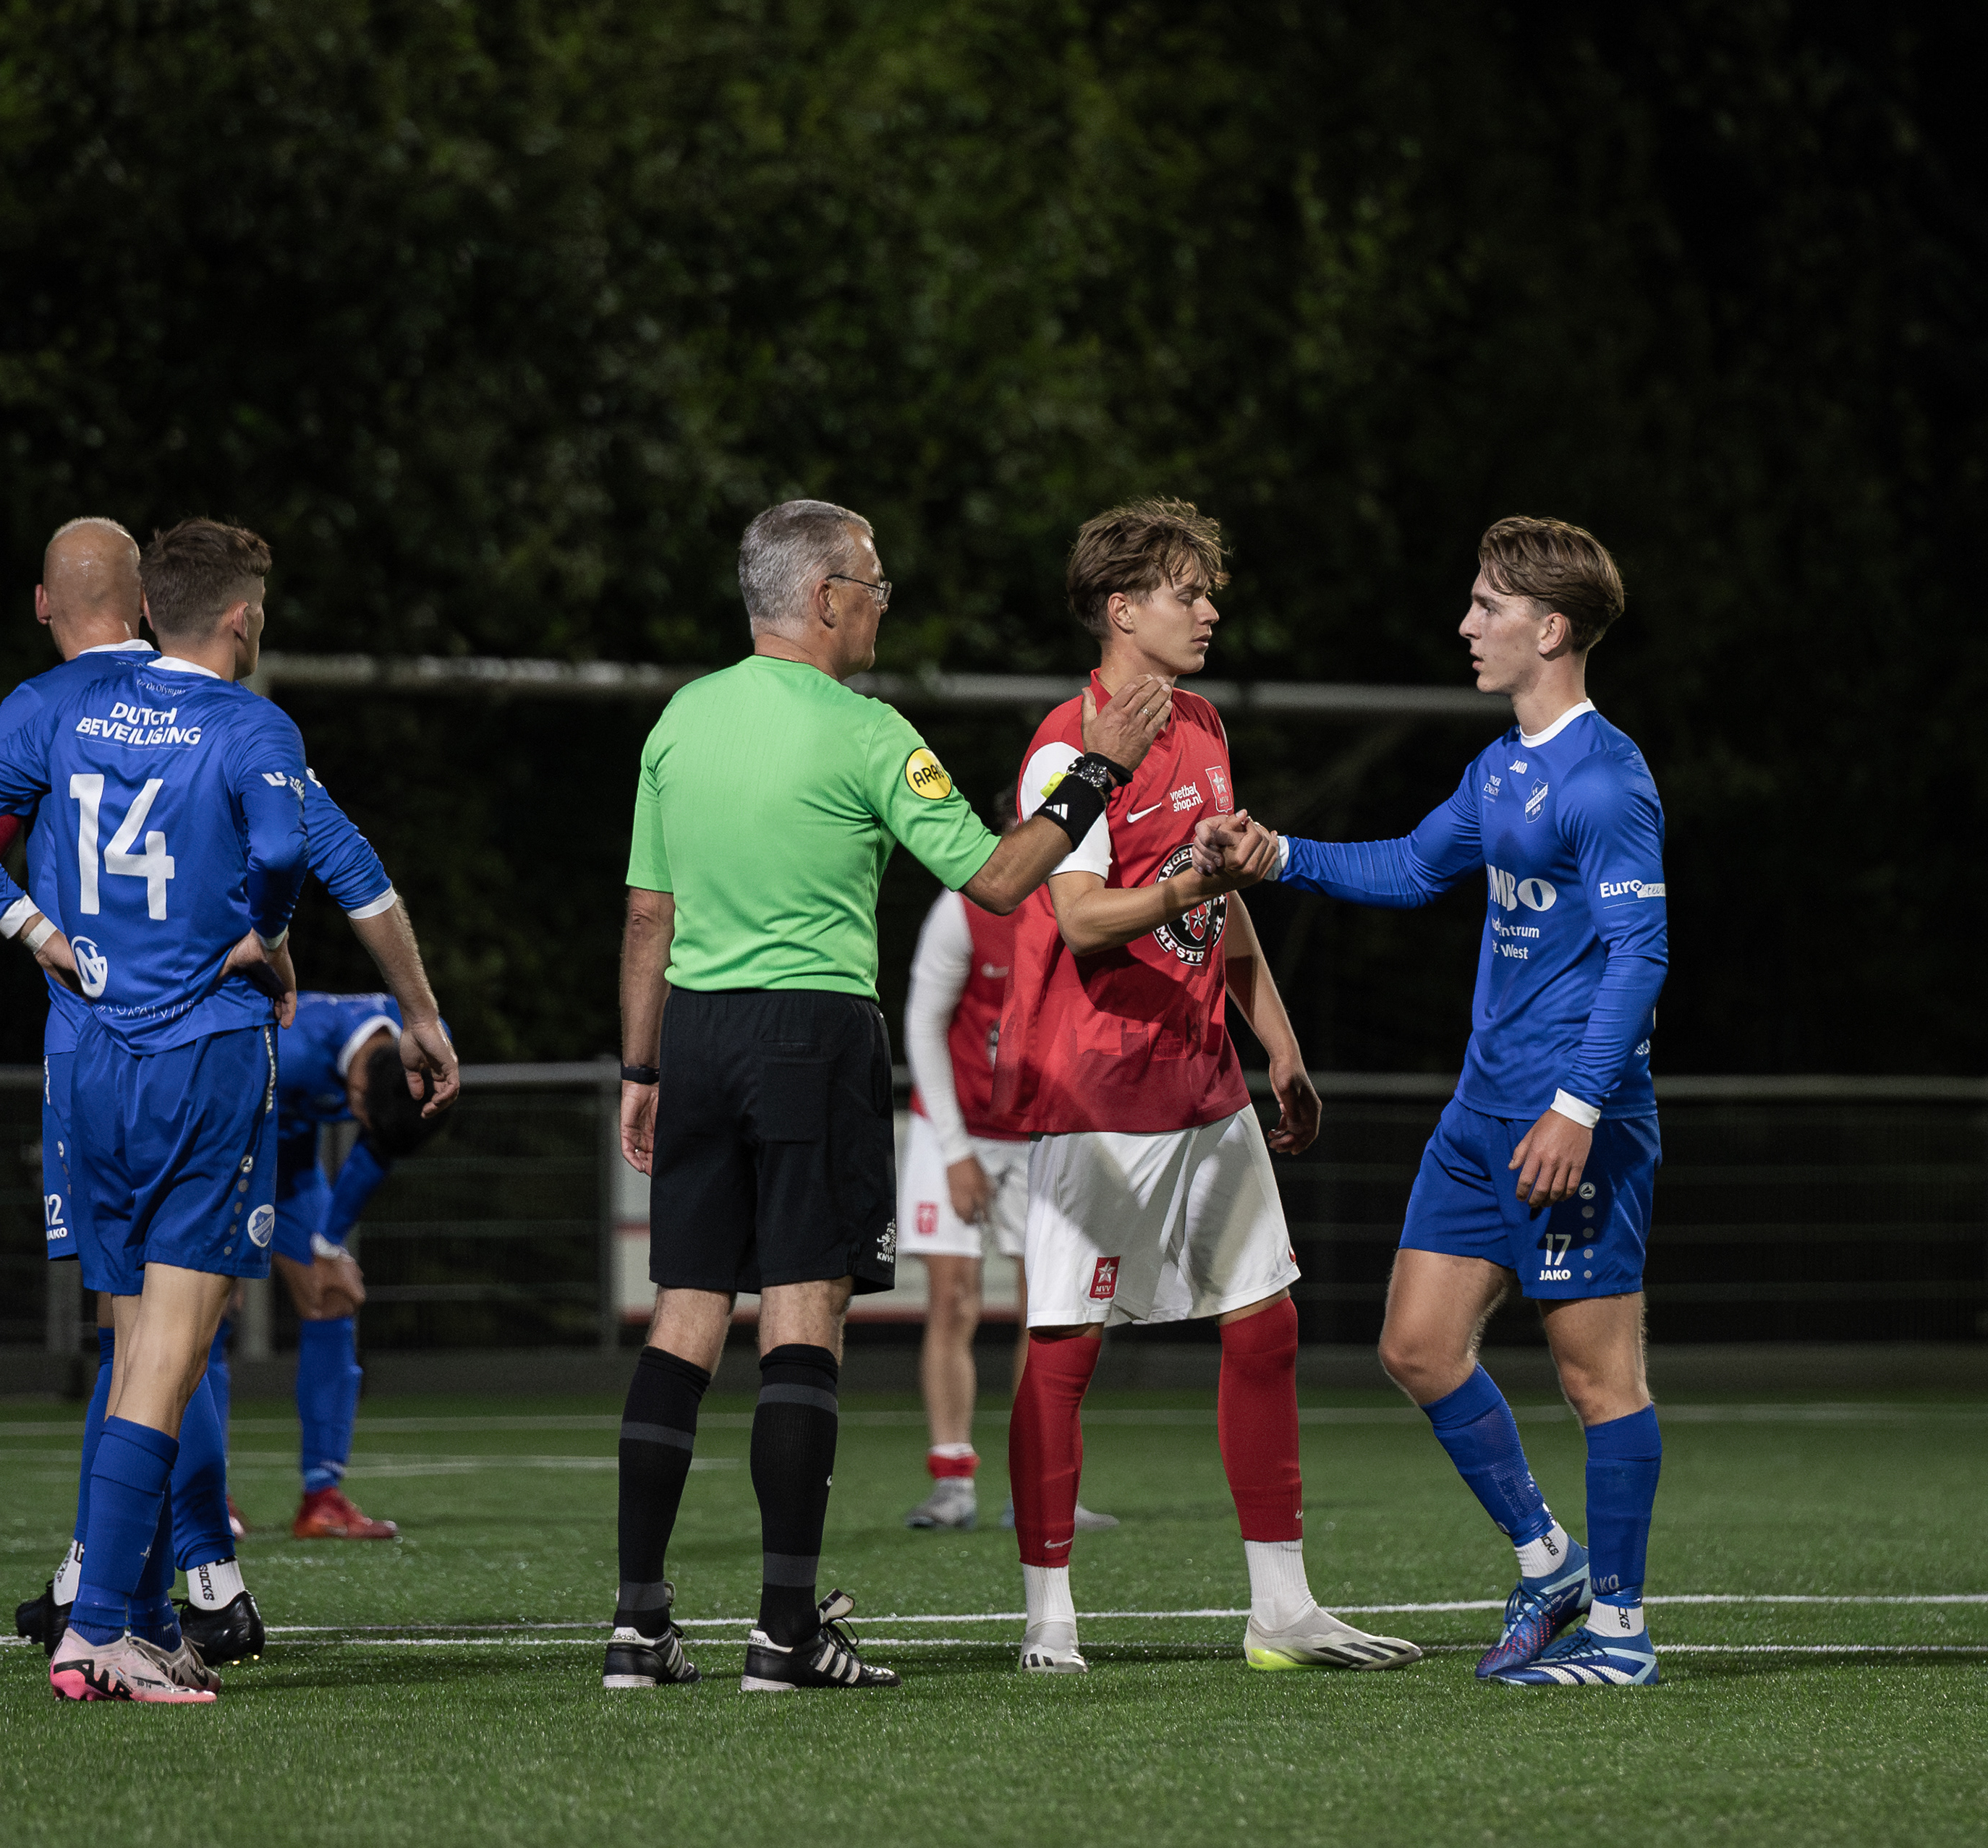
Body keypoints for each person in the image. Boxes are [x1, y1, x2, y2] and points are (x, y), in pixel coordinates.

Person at [608, 498, 1168, 1694]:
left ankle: (638, 1625)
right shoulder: (866, 731)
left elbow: (649, 915)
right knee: (803, 1315)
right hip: (812, 1033)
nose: (882, 603)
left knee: (685, 1315)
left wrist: (641, 1068)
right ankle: (784, 1631)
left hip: (697, 1031)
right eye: (873, 583)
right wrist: (1096, 774)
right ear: (824, 598)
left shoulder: (681, 718)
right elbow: (999, 878)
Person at [0, 517, 458, 1703]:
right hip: (202, 1056)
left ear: (150, 608)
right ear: (244, 619)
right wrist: (278, 937)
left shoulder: (64, 708)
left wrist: (33, 930)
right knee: (173, 1349)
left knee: (132, 1344)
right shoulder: (252, 729)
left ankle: (148, 1609)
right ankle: (102, 1626)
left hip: (89, 1061)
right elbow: (303, 855)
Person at [1198, 516, 1669, 1687]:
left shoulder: (1607, 776)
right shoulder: (1502, 765)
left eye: (1487, 606)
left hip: (1574, 1124)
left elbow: (1640, 954)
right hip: (1479, 1117)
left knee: (1598, 1381)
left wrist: (1577, 1107)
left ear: (1549, 629)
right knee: (1415, 1347)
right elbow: (1413, 867)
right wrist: (1277, 856)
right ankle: (1549, 1561)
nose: (1467, 624)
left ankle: (1620, 1632)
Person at [995, 498, 1419, 1677]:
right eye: (1188, 592)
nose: (1210, 610)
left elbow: (1219, 896)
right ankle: (1047, 1620)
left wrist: (1277, 1040)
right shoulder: (1065, 746)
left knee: (1267, 1324)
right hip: (1096, 1094)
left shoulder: (1204, 723)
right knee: (1064, 1349)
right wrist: (1188, 892)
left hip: (1203, 1083)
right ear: (1122, 608)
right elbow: (1083, 920)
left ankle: (1282, 1609)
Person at [895, 795, 1113, 1536]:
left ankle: (1038, 1485)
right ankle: (952, 1480)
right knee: (954, 1301)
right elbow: (924, 1023)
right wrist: (957, 1153)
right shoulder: (963, 906)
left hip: (1038, 1131)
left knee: (1048, 1309)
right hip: (953, 1124)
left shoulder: (1083, 902)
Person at [268, 990, 459, 1537]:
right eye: (359, 1110)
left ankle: (321, 1496)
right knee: (208, 1308)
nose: (356, 1118)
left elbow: (380, 1144)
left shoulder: (426, 1050)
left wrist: (328, 1245)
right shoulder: (290, 1047)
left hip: (291, 1161)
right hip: (223, 1146)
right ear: (355, 1084)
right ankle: (203, 1496)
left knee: (332, 1297)